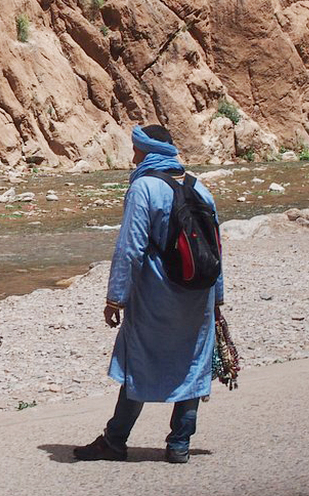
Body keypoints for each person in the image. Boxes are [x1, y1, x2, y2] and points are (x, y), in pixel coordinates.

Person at [73, 125, 224, 465]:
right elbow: (215, 248)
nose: (132, 157)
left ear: (146, 151)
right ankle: (180, 443)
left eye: (135, 150)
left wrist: (116, 297)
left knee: (138, 360)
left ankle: (115, 440)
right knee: (193, 361)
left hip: (156, 295)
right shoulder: (199, 186)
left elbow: (130, 248)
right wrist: (217, 298)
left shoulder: (144, 187)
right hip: (198, 296)